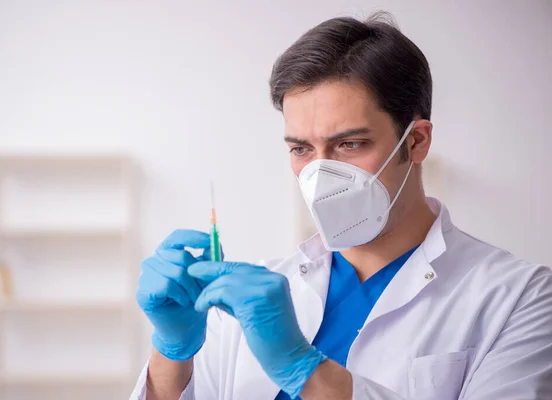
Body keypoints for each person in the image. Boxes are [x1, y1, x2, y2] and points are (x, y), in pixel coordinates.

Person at [130, 13, 552, 400]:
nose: (320, 173)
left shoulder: (520, 298)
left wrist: (301, 367)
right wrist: (172, 351)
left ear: (416, 141)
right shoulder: (251, 300)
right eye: (301, 148)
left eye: (349, 144)